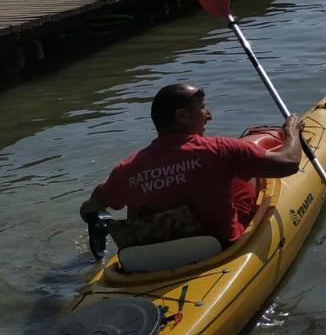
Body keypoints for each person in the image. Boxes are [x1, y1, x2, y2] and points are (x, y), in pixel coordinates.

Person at [78, 83, 304, 247]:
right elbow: (289, 163)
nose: (209, 115)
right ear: (183, 115)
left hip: (149, 261)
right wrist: (291, 132)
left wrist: (88, 211)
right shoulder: (220, 150)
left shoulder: (126, 169)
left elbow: (97, 200)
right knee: (244, 178)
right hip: (218, 250)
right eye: (203, 108)